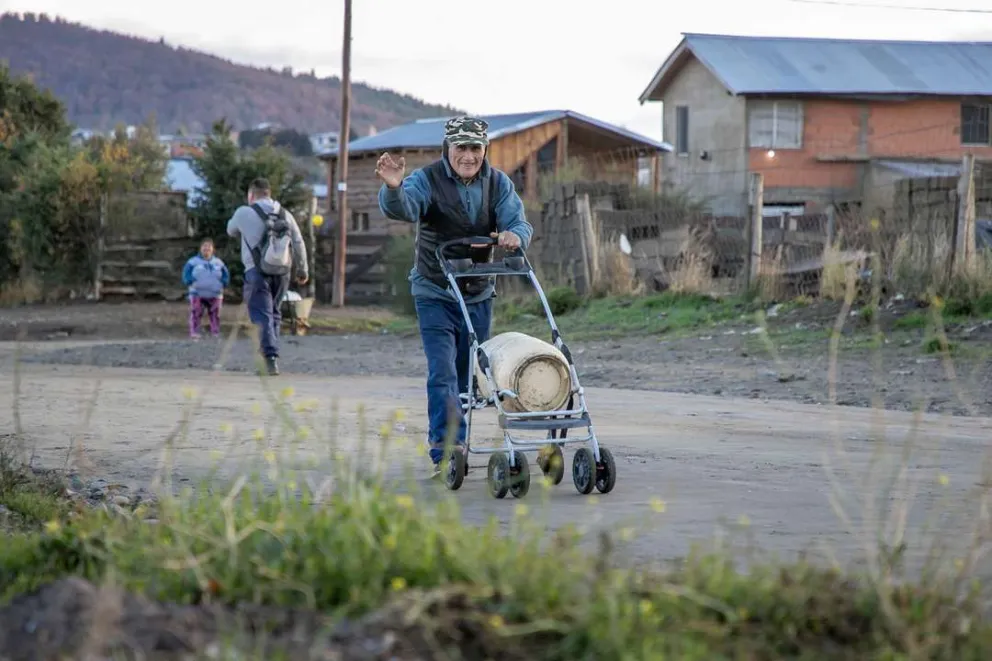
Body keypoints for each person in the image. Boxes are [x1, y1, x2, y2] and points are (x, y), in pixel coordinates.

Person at [376, 116, 534, 478]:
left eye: (475, 148)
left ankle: (463, 444)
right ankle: (447, 449)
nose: (468, 155)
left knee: (468, 375)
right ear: (448, 148)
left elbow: (519, 222)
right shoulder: (427, 179)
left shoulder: (498, 183)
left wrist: (515, 235)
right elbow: (405, 207)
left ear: (485, 149)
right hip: (434, 290)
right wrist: (394, 188)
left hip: (478, 292)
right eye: (461, 147)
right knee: (443, 371)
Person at [226, 177, 309, 376]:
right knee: (274, 313)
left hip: (256, 271)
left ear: (251, 195)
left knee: (262, 315)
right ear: (269, 193)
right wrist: (303, 270)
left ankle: (269, 358)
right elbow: (298, 242)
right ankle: (271, 355)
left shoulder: (244, 212)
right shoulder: (285, 214)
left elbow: (230, 231)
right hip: (282, 271)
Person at [181, 238, 230, 339]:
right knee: (196, 312)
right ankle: (195, 332)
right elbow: (186, 274)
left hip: (215, 294)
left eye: (209, 247)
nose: (206, 249)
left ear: (213, 249)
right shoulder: (193, 262)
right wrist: (190, 282)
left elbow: (225, 275)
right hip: (197, 293)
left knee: (215, 314)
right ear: (200, 248)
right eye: (204, 247)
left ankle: (215, 332)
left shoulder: (219, 262)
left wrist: (223, 283)